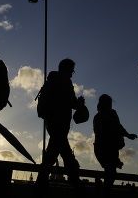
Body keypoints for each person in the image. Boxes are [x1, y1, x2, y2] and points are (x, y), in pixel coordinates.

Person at [33, 58, 88, 198]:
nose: (72, 73)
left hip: (51, 122)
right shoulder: (64, 81)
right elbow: (71, 102)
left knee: (60, 156)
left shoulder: (52, 80)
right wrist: (79, 103)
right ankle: (78, 189)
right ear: (67, 68)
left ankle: (40, 188)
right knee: (59, 157)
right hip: (60, 124)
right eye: (72, 70)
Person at [93, 94, 138, 197]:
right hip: (108, 147)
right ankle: (104, 192)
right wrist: (127, 135)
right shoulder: (111, 113)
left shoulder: (97, 117)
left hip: (100, 148)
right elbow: (118, 127)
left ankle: (104, 191)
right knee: (111, 172)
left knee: (109, 171)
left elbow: (99, 133)